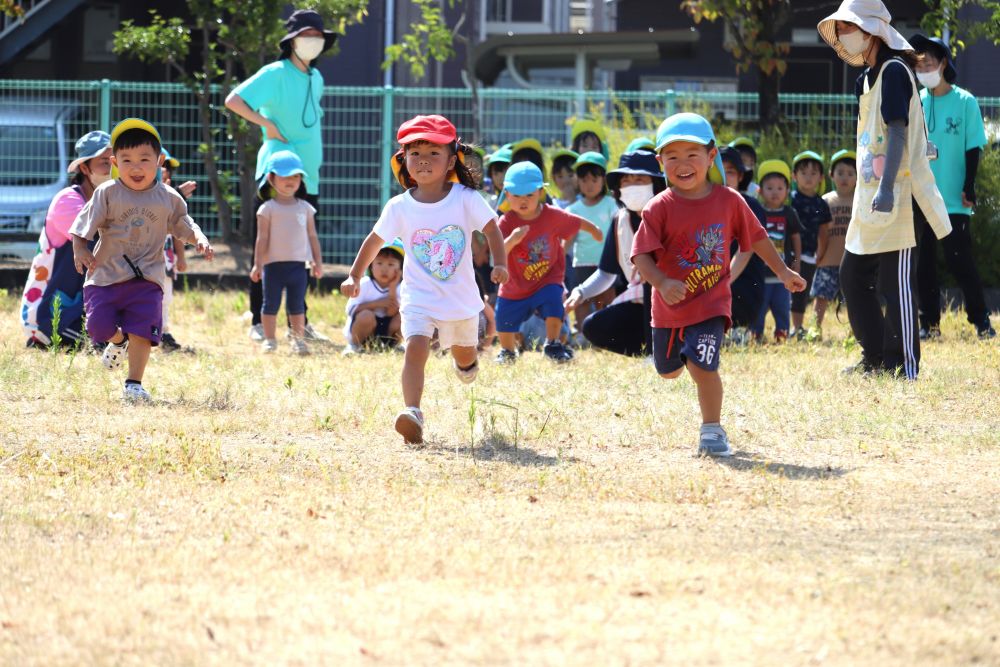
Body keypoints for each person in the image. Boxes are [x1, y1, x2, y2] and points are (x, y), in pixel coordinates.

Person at [631, 113, 805, 457]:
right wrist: (662, 282)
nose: (683, 164)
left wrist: (784, 272)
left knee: (703, 364)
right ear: (660, 162)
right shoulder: (658, 208)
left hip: (712, 304)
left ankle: (711, 430)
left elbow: (756, 239)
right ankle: (678, 357)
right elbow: (640, 257)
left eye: (692, 154)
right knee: (668, 372)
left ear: (711, 157)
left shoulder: (729, 201)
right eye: (672, 156)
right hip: (669, 308)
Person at [340, 114, 508, 445]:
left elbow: (492, 229)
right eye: (415, 153)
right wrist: (354, 274)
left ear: (450, 161)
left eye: (434, 153)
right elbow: (375, 240)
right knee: (414, 348)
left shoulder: (465, 199)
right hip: (417, 298)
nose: (424, 161)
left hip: (460, 300)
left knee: (463, 354)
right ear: (404, 161)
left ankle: (468, 362)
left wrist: (500, 263)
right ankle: (412, 412)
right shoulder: (399, 206)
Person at [818, 0, 952, 379]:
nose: (844, 34)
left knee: (897, 285)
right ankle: (874, 356)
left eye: (848, 26)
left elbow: (897, 131)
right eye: (841, 28)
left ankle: (903, 365)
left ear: (871, 30)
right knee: (852, 277)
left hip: (901, 195)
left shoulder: (894, 71)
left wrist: (889, 187)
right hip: (871, 196)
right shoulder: (866, 78)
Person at [69, 118, 214, 401]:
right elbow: (83, 222)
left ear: (159, 161)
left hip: (147, 278)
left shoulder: (168, 197)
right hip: (105, 275)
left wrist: (199, 238)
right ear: (114, 162)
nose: (136, 167)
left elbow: (183, 223)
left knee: (142, 331)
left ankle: (133, 383)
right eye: (127, 160)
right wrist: (80, 248)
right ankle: (117, 341)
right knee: (97, 327)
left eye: (144, 159)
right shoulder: (107, 193)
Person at [225, 9, 336, 344]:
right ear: (291, 41)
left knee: (299, 249)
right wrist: (268, 125)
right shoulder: (274, 72)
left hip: (307, 176)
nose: (313, 42)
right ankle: (260, 321)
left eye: (318, 36)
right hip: (277, 170)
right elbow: (234, 100)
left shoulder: (316, 78)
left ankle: (298, 324)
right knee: (268, 247)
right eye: (307, 36)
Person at [910, 34, 995, 339]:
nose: (925, 69)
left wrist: (969, 187)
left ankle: (982, 321)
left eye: (930, 62)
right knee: (924, 266)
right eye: (920, 65)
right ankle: (928, 323)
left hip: (954, 198)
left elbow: (974, 147)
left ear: (944, 63)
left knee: (961, 262)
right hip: (921, 196)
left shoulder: (965, 101)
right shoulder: (916, 100)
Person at [494, 161, 602, 364]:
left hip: (547, 278)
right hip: (515, 284)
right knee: (504, 318)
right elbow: (499, 252)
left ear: (540, 193)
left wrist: (594, 229)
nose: (523, 201)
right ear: (507, 195)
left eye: (529, 195)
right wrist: (513, 240)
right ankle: (507, 351)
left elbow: (575, 221)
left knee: (554, 303)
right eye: (516, 195)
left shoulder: (551, 215)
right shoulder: (506, 222)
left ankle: (553, 344)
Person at [566, 149, 665, 356]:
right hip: (640, 304)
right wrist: (580, 292)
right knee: (594, 326)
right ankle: (652, 350)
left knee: (651, 282)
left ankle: (661, 351)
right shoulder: (620, 221)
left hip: (674, 299)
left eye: (639, 179)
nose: (632, 186)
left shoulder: (671, 215)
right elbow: (606, 273)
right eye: (626, 181)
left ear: (655, 184)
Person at [21, 130, 112, 349]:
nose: (111, 169)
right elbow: (98, 234)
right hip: (49, 312)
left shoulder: (109, 200)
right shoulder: (68, 200)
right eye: (103, 162)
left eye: (113, 161)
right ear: (84, 168)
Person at [249, 150, 324, 355]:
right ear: (271, 178)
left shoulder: (306, 208)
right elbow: (261, 239)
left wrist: (317, 261)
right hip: (272, 267)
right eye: (284, 176)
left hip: (299, 266)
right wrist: (258, 264)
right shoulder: (266, 209)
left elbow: (313, 237)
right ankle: (270, 339)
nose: (291, 180)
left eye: (295, 176)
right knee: (270, 304)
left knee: (297, 305)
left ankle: (298, 340)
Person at [566, 151, 618, 333]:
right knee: (582, 301)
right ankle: (582, 333)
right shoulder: (573, 209)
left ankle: (608, 332)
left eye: (594, 180)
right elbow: (568, 238)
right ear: (578, 182)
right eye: (584, 180)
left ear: (603, 180)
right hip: (582, 262)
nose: (589, 185)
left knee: (607, 299)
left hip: (606, 263)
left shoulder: (611, 204)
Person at [719, 146, 767, 343]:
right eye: (719, 171)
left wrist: (721, 284)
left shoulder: (751, 206)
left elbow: (745, 251)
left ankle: (738, 331)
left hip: (742, 285)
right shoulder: (699, 208)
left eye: (730, 172)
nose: (724, 177)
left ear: (740, 176)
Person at [753, 159, 802, 343]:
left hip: (783, 275)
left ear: (787, 191)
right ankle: (755, 334)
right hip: (761, 274)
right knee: (759, 306)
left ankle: (782, 334)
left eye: (780, 188)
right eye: (770, 187)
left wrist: (797, 260)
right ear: (760, 190)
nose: (775, 192)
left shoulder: (789, 213)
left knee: (782, 307)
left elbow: (796, 237)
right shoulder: (757, 212)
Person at [790, 150, 833, 338]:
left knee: (801, 292)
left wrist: (820, 254)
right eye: (803, 173)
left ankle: (797, 328)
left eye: (813, 173)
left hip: (809, 254)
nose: (808, 178)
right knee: (780, 291)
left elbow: (824, 231)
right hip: (787, 253)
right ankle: (783, 327)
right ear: (794, 176)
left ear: (821, 177)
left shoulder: (821, 203)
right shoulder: (789, 199)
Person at [814, 149, 857, 334]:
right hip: (828, 260)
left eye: (850, 173)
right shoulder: (825, 200)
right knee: (821, 295)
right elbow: (818, 231)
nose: (845, 178)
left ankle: (857, 332)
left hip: (853, 260)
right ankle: (814, 329)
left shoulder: (860, 200)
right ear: (831, 175)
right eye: (840, 173)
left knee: (856, 298)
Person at [159, 147, 196, 352]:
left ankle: (163, 331)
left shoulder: (173, 198)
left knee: (165, 297)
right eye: (161, 167)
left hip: (166, 259)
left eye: (167, 168)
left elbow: (178, 232)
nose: (165, 172)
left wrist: (181, 257)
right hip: (141, 260)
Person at [343, 240, 403, 354]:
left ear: (400, 268)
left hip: (386, 330)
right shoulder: (364, 284)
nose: (384, 269)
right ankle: (354, 346)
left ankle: (391, 345)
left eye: (391, 264)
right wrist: (377, 304)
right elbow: (351, 310)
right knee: (366, 316)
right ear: (370, 266)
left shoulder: (401, 288)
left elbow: (391, 313)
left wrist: (392, 288)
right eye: (379, 263)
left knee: (403, 316)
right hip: (364, 331)